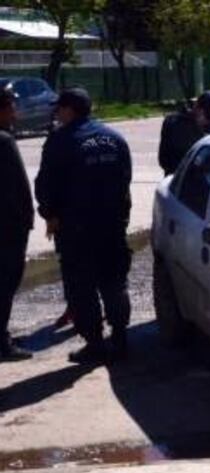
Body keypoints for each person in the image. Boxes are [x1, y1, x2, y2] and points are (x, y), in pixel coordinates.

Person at [35, 88, 133, 365]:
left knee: (82, 287)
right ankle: (121, 338)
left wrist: (49, 213)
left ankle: (95, 344)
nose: (56, 113)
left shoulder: (61, 140)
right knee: (114, 282)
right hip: (112, 226)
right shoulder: (115, 138)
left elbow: (45, 185)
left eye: (59, 108)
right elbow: (125, 181)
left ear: (70, 110)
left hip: (76, 229)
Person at [0, 85, 34, 361]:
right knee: (4, 286)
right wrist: (27, 222)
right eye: (11, 105)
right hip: (7, 230)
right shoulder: (4, 141)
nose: (15, 111)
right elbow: (19, 189)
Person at [157, 90, 210, 176]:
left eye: (209, 118)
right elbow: (164, 159)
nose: (205, 122)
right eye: (203, 116)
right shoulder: (173, 123)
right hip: (177, 179)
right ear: (197, 108)